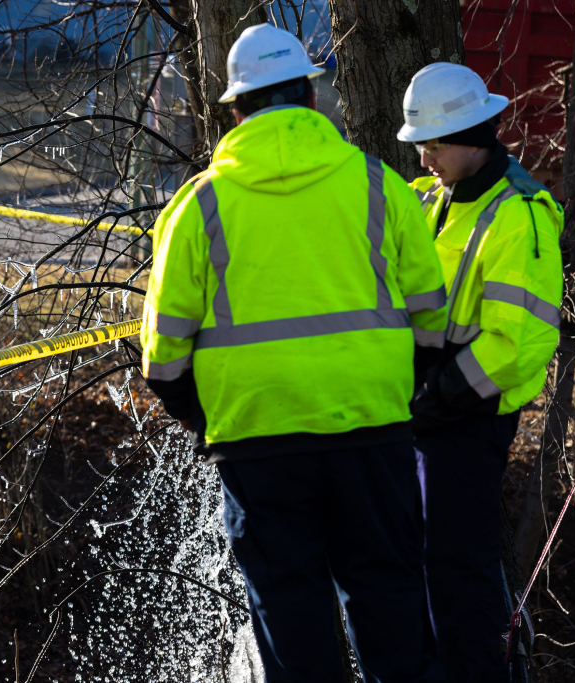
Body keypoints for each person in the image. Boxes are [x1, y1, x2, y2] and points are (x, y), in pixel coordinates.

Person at [141, 23, 447, 683]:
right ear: (310, 95)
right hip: (373, 428)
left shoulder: (198, 207)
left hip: (258, 441)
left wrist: (215, 419)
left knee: (290, 607)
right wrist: (395, 387)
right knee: (389, 594)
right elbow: (433, 317)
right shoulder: (376, 186)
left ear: (235, 109)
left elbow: (161, 360)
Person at [398, 62, 564, 681]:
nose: (422, 157)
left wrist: (435, 399)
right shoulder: (438, 200)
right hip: (426, 409)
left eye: (432, 145)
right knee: (420, 564)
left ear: (471, 136)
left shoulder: (518, 216)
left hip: (465, 420)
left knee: (455, 572)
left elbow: (513, 346)